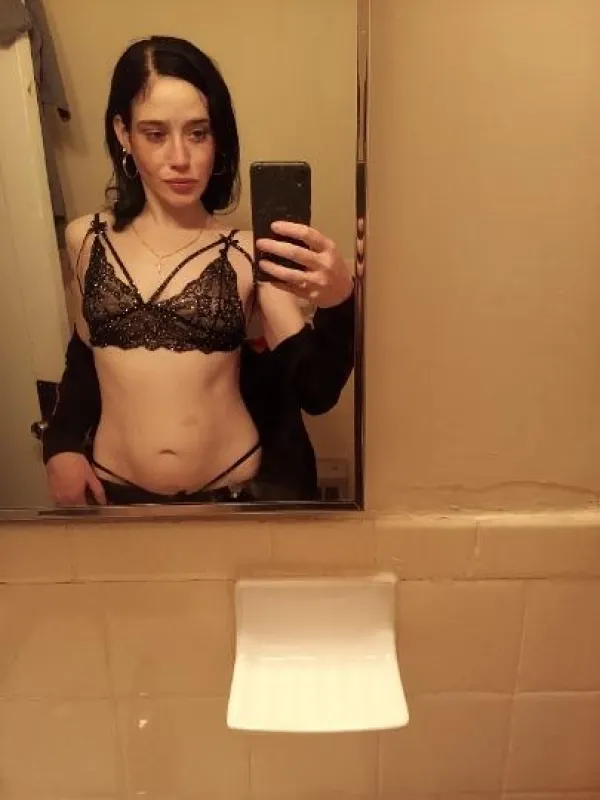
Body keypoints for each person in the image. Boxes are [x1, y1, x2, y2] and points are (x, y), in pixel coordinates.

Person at [44, 34, 355, 505]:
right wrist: (62, 444)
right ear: (123, 133)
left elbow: (316, 391)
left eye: (198, 133)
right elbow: (86, 354)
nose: (180, 159)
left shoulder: (249, 253)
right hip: (115, 494)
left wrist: (339, 301)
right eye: (155, 134)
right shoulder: (85, 239)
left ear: (218, 137)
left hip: (230, 494)